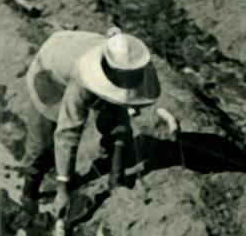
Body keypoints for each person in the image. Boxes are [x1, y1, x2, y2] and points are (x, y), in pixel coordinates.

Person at [23, 28, 161, 216]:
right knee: (42, 141)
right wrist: (62, 191)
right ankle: (29, 190)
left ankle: (116, 178)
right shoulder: (83, 76)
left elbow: (122, 119)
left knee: (117, 123)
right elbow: (68, 133)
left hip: (90, 63)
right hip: (50, 71)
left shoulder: (134, 64)